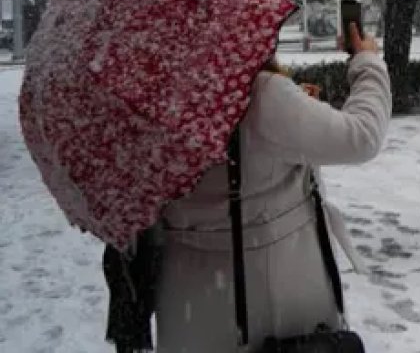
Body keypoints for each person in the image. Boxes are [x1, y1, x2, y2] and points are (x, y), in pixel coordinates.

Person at [151, 23, 391, 352]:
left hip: (187, 306)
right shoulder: (254, 95)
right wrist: (367, 63)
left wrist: (297, 110)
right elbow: (361, 136)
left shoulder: (148, 100)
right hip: (268, 312)